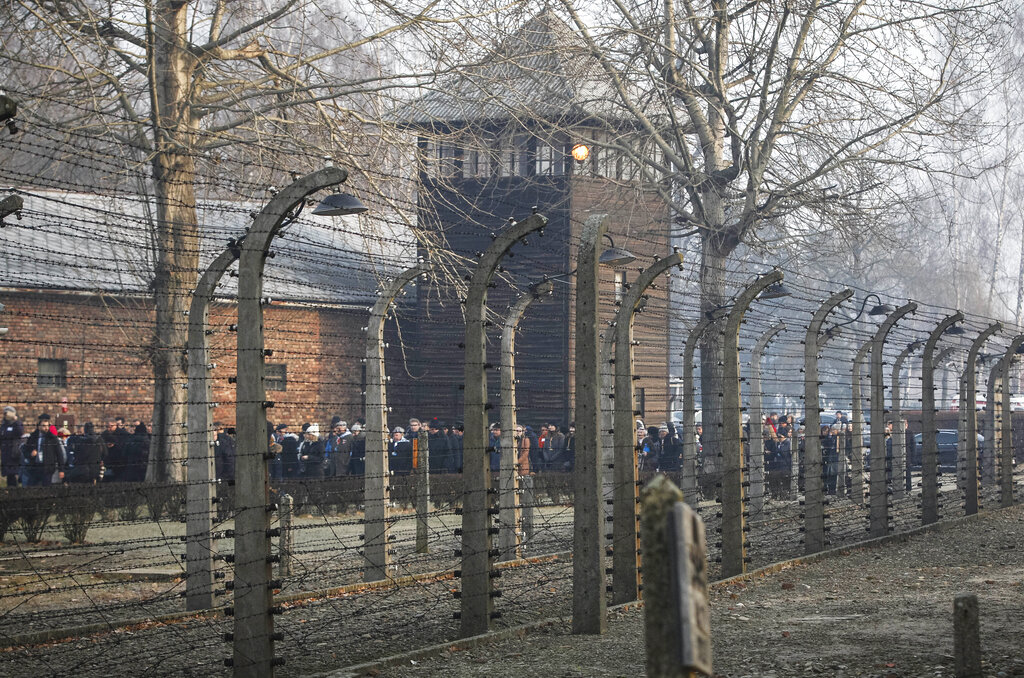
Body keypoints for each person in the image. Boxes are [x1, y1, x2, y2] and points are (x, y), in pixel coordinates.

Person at [21, 414, 64, 486]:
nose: (46, 428)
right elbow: (25, 450)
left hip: (47, 468)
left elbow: (59, 454)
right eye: (44, 426)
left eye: (47, 426)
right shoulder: (33, 437)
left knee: (46, 489)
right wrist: (30, 454)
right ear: (39, 426)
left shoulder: (52, 438)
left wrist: (61, 470)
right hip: (35, 467)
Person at [1, 406, 24, 487]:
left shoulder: (16, 424)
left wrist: (16, 421)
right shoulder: (4, 425)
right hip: (6, 455)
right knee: (9, 477)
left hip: (14, 454)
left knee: (14, 476)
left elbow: (20, 432)